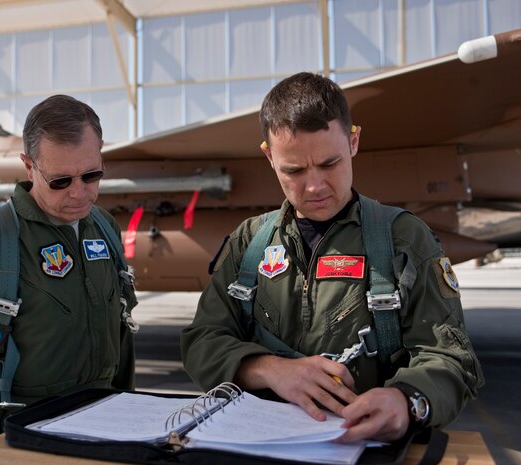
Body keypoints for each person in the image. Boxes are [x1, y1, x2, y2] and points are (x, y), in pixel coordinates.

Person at [180, 72, 483, 444]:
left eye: (329, 163)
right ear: (268, 157)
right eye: (293, 170)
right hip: (260, 443)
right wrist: (269, 369)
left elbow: (451, 358)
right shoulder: (249, 243)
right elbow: (202, 341)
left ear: (353, 141)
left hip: (360, 445)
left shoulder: (403, 240)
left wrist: (407, 401)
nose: (315, 186)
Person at [0, 95, 137, 463]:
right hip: (21, 442)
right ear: (28, 166)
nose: (78, 192)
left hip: (102, 433)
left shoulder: (103, 229)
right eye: (60, 180)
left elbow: (122, 333)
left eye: (91, 175)